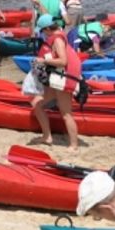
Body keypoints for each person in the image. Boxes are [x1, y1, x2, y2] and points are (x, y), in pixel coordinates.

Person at [26, 15, 82, 152]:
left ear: (47, 29)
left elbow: (63, 61)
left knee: (66, 113)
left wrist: (43, 60)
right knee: (37, 104)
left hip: (64, 78)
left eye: (43, 31)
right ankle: (47, 137)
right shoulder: (58, 35)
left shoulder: (57, 39)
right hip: (56, 78)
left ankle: (74, 145)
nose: (43, 34)